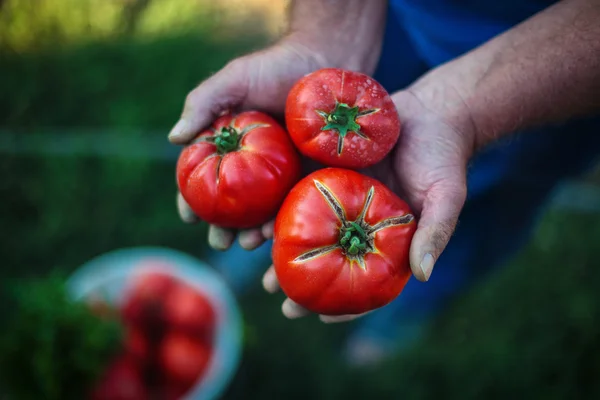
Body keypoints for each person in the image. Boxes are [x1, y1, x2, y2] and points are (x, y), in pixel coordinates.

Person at [168, 0, 600, 364]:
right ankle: (272, 236)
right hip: (398, 18)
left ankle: (410, 306)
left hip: (557, 76)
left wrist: (466, 111)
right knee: (416, 211)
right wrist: (327, 32)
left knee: (473, 218)